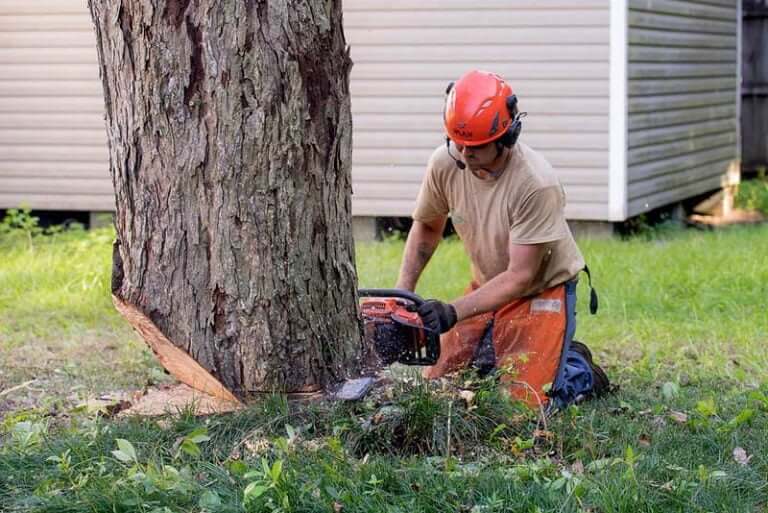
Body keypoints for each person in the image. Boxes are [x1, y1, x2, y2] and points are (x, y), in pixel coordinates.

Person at [395, 70, 607, 409]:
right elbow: (427, 228)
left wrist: (453, 311)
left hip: (540, 290)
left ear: (507, 137)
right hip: (488, 283)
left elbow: (521, 276)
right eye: (458, 143)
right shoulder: (445, 163)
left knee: (522, 405)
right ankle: (496, 356)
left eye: (476, 147)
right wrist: (402, 295)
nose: (465, 153)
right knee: (440, 386)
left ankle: (577, 368)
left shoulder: (535, 182)